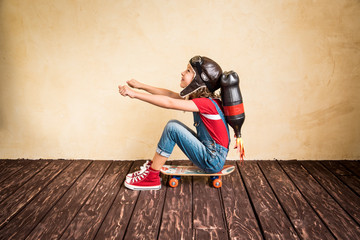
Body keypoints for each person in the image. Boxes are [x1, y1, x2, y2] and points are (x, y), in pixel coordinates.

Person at [118, 56, 230, 190]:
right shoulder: (203, 99)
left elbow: (169, 102)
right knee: (173, 124)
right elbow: (170, 95)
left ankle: (152, 178)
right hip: (212, 154)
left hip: (212, 159)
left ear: (199, 80)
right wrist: (141, 86)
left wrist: (134, 94)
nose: (182, 72)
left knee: (172, 128)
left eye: (188, 71)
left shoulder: (206, 104)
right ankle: (152, 170)